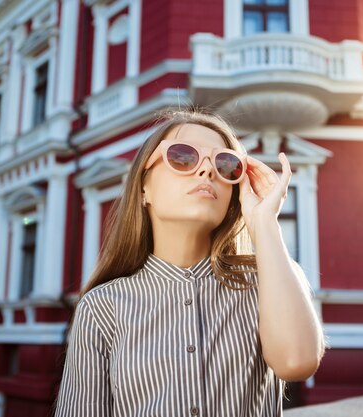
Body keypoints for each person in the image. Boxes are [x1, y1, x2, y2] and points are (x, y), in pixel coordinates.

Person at [53, 108, 326, 416]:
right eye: (183, 157)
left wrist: (265, 224)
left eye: (226, 165)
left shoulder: (269, 282)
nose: (207, 171)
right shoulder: (102, 307)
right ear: (144, 187)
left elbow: (297, 362)